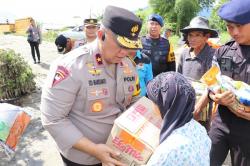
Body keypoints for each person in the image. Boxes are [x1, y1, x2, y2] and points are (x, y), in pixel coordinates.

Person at [41, 5, 142, 166]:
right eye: (120, 45)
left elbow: (135, 100)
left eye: (129, 46)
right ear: (101, 35)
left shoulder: (128, 65)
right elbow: (52, 119)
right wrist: (94, 150)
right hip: (82, 158)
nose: (125, 52)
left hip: (118, 152)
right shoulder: (71, 66)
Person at [205, 1, 250, 165]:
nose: (235, 32)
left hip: (247, 130)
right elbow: (212, 82)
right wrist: (215, 95)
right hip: (221, 123)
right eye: (230, 27)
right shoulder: (224, 51)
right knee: (207, 161)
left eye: (239, 26)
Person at [146, 72, 211, 166]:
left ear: (164, 106)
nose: (152, 105)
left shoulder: (167, 151)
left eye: (154, 101)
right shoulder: (199, 129)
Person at [177, 16, 218, 81]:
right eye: (190, 35)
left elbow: (213, 83)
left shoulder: (213, 55)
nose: (192, 39)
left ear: (206, 37)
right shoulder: (184, 53)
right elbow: (178, 77)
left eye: (197, 35)